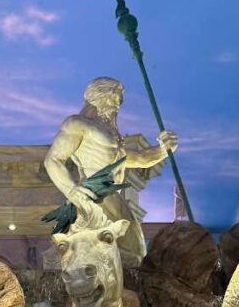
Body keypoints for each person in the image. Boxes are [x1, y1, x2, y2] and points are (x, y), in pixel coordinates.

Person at [44, 77, 178, 263]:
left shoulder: (113, 136)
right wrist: (71, 190)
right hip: (94, 198)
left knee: (137, 251)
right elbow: (53, 159)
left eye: (120, 97)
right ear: (98, 95)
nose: (118, 102)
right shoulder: (77, 124)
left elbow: (139, 159)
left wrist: (163, 150)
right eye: (114, 95)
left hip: (115, 199)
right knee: (120, 254)